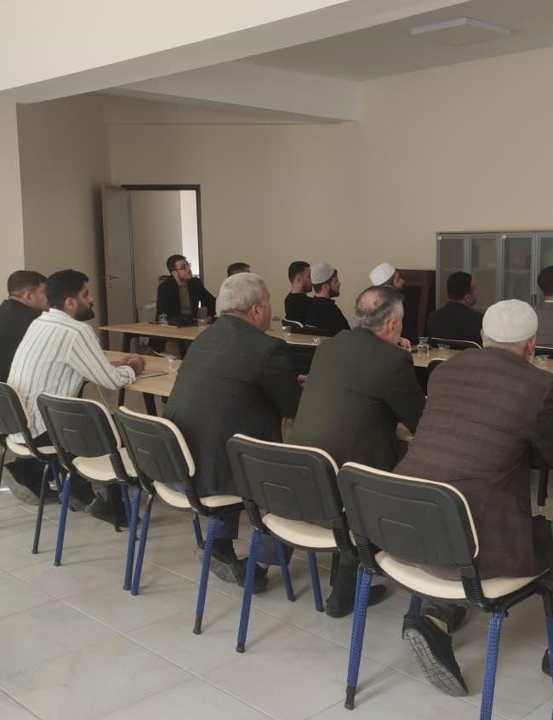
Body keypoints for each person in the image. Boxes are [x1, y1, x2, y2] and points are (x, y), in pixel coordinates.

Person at [394, 299, 553, 697]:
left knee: (459, 508)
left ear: (482, 336)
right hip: (473, 544)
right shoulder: (537, 385)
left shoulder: (444, 371)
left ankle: (434, 618)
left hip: (407, 525)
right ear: (532, 344)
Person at [163, 273, 302, 592]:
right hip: (215, 474)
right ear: (256, 310)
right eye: (269, 303)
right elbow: (294, 407)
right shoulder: (267, 348)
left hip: (178, 464)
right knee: (293, 481)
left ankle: (219, 545)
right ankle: (258, 568)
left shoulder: (203, 339)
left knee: (226, 442)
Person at [290, 285, 425, 615]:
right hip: (347, 483)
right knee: (402, 462)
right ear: (392, 325)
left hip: (301, 472)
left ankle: (348, 576)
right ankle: (354, 578)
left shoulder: (329, 346)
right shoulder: (393, 361)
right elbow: (420, 421)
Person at [7, 270, 146, 523]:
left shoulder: (40, 322)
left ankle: (78, 488)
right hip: (43, 430)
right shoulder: (77, 330)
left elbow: (69, 365)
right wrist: (132, 368)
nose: (91, 300)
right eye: (86, 294)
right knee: (121, 430)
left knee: (98, 422)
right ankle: (118, 511)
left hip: (20, 426)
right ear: (70, 303)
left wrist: (112, 366)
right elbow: (112, 382)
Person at [426, 272, 482, 344]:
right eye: (475, 289)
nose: (478, 292)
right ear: (467, 298)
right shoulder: (479, 320)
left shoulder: (433, 318)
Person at [156, 254, 216, 321]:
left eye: (188, 265)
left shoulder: (195, 284)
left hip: (192, 322)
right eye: (183, 267)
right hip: (173, 324)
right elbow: (161, 313)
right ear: (174, 273)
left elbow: (212, 302)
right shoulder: (165, 288)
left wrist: (209, 316)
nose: (188, 269)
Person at [304, 262, 349, 334]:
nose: (339, 284)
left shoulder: (310, 307)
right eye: (336, 281)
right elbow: (348, 336)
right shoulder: (331, 311)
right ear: (325, 286)